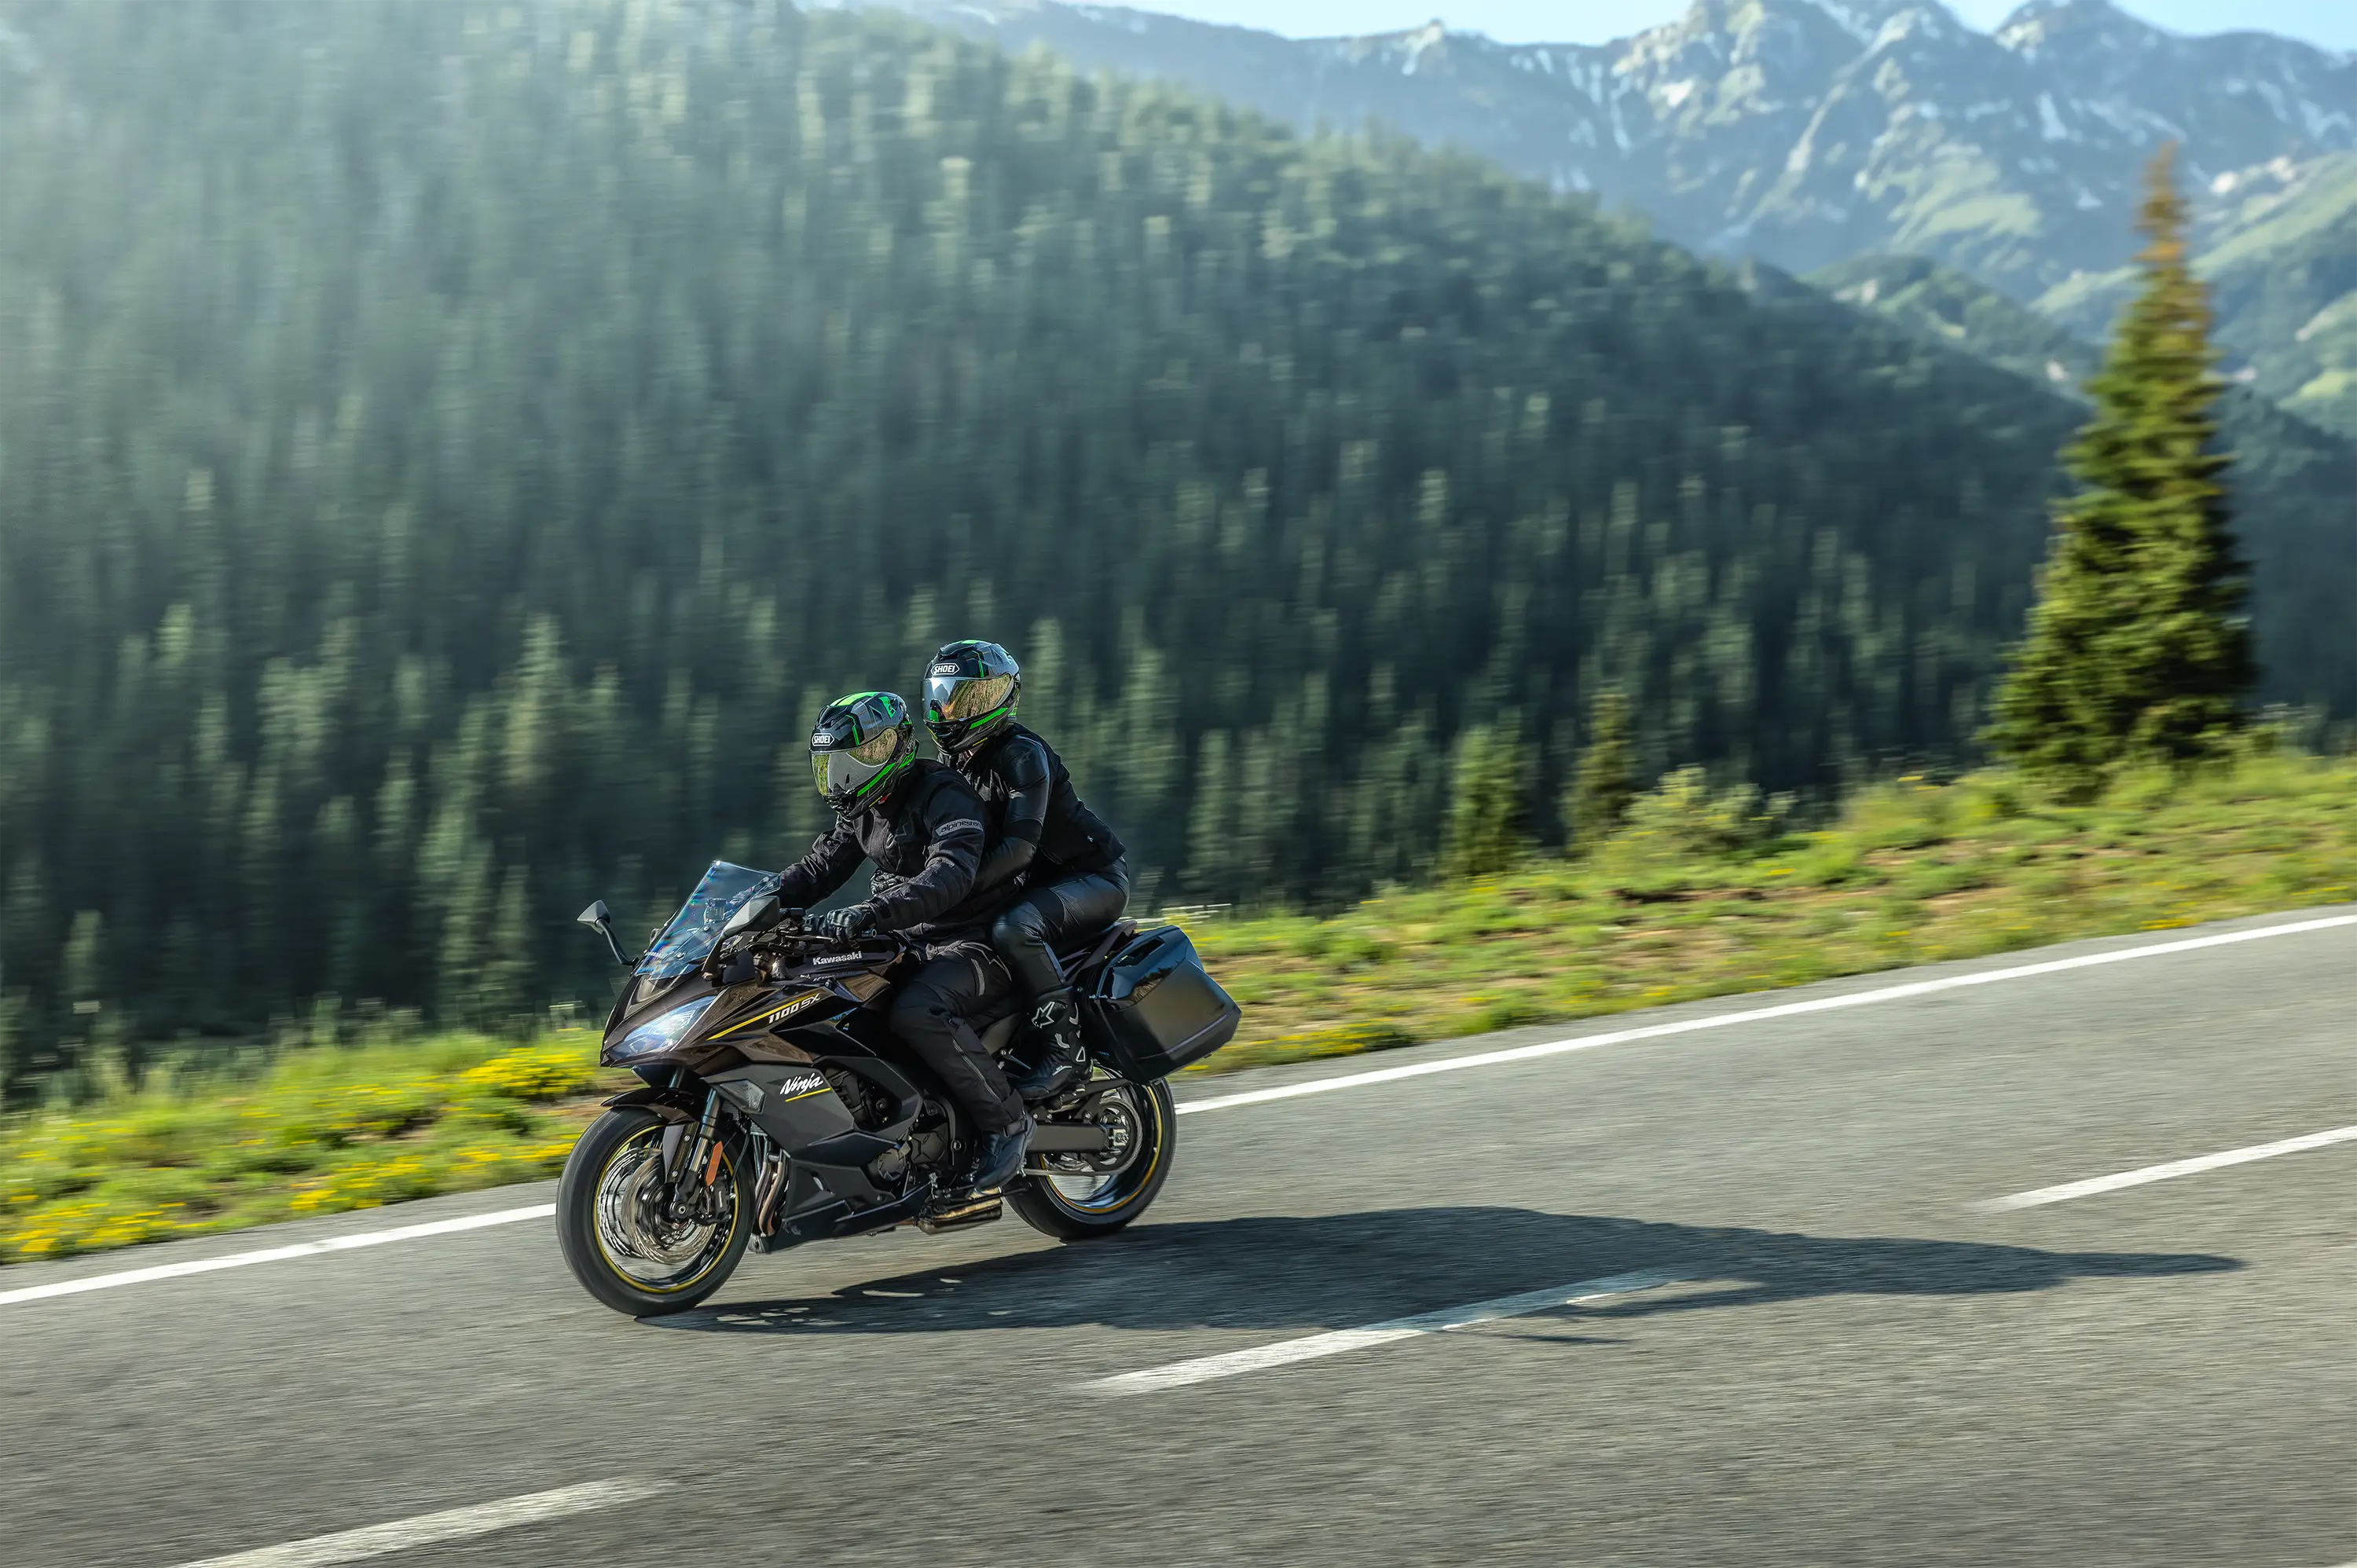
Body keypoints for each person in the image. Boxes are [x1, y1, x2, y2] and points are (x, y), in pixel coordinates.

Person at [778, 691, 1031, 1195]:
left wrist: (871, 912)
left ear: (888, 749)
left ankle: (1008, 1124)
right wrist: (735, 910)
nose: (839, 775)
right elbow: (815, 871)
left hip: (975, 943)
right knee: (822, 999)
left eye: (851, 759)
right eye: (830, 764)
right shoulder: (863, 809)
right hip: (910, 941)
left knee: (917, 1010)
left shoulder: (943, 794)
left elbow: (948, 877)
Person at [923, 640, 1127, 1102]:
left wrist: (952, 889)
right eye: (944, 694)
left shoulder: (1021, 753)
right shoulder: (956, 761)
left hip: (1091, 877)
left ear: (998, 699)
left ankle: (1065, 1053)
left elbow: (1018, 849)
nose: (950, 707)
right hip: (1036, 884)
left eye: (966, 697)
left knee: (1013, 928)